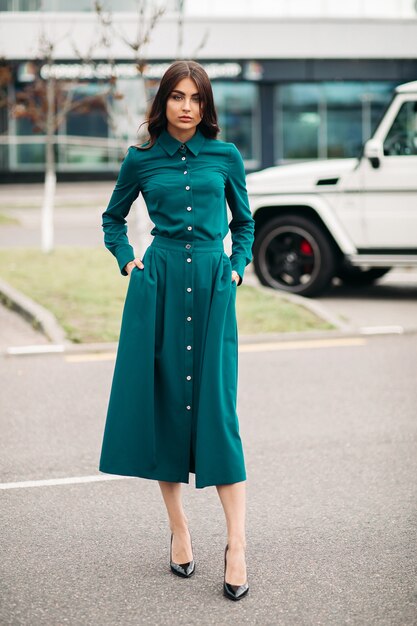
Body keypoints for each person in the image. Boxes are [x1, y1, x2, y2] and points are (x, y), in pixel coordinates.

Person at [98, 60, 255, 601]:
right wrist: (127, 261)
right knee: (167, 409)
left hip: (213, 287)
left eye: (196, 97)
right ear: (163, 102)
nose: (186, 106)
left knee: (218, 411)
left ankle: (237, 543)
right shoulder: (141, 161)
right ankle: (180, 529)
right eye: (177, 96)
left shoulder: (226, 157)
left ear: (206, 104)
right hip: (160, 287)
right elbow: (112, 219)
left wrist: (236, 266)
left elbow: (245, 222)